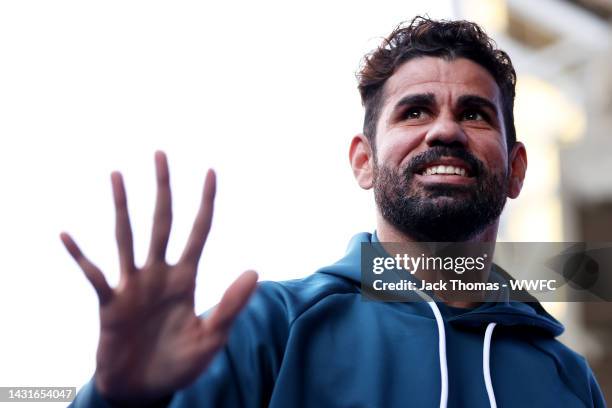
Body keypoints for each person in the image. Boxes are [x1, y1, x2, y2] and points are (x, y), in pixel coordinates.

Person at [65, 16, 606, 407]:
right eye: (414, 111)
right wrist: (117, 400)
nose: (444, 129)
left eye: (475, 113)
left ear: (515, 170)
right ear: (363, 161)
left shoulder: (566, 377)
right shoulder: (270, 327)